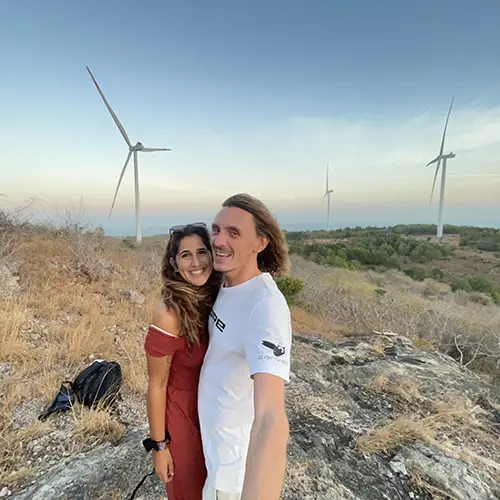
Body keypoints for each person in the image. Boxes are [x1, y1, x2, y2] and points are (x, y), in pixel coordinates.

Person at [198, 193, 292, 500]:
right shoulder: (225, 283)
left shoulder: (265, 306)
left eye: (234, 233)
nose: (219, 240)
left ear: (260, 243)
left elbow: (270, 416)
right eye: (216, 230)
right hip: (211, 452)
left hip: (232, 471)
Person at [144, 222, 221, 500]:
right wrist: (160, 446)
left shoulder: (217, 297)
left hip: (216, 409)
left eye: (202, 252)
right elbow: (157, 383)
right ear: (174, 264)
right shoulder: (169, 313)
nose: (196, 262)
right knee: (190, 491)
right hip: (184, 415)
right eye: (186, 255)